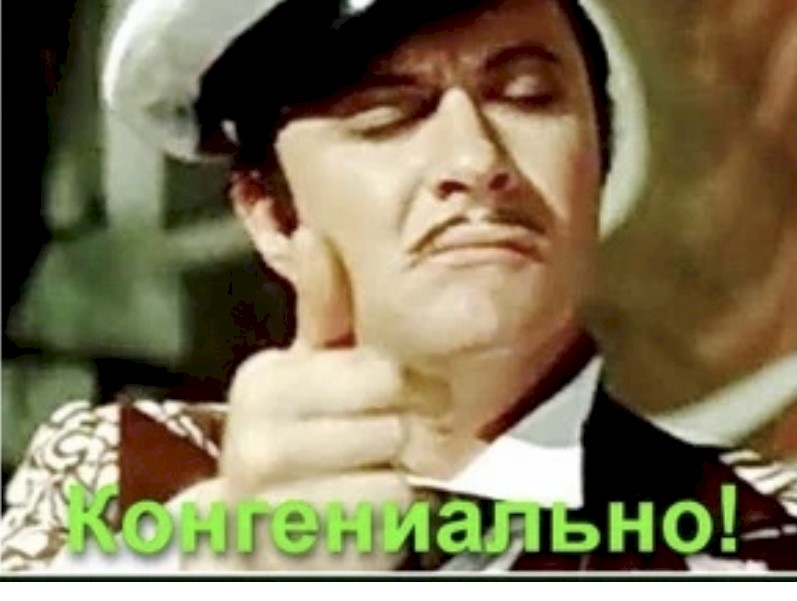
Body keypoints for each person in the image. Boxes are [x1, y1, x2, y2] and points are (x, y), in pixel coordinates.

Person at [2, 0, 795, 573]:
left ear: (600, 160)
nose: (474, 159)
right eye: (386, 116)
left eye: (526, 96)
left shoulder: (760, 531)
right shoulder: (121, 472)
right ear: (273, 215)